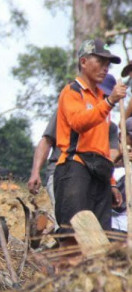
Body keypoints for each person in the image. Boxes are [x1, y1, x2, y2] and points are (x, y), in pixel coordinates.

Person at [54, 38, 126, 235]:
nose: (105, 68)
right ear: (84, 62)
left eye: (107, 64)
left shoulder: (100, 99)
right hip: (75, 166)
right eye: (100, 62)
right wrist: (110, 101)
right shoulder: (72, 92)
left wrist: (111, 182)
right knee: (74, 232)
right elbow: (79, 123)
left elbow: (102, 146)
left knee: (101, 236)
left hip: (100, 171)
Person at [28, 74, 120, 209]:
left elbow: (110, 157)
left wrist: (111, 183)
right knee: (70, 221)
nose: (102, 99)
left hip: (95, 177)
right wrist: (35, 172)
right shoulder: (70, 111)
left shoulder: (110, 127)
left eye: (106, 97)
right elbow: (47, 141)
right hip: (64, 171)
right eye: (100, 95)